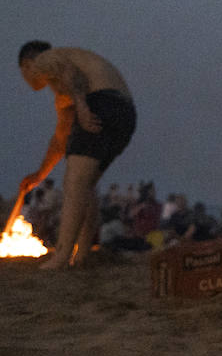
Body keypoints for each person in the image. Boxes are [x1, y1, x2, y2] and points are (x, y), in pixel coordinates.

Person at [16, 40, 138, 269]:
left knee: (75, 183)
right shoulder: (62, 93)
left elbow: (72, 74)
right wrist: (39, 175)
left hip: (102, 101)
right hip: (125, 114)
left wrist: (82, 105)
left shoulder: (46, 58)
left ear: (26, 65)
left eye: (24, 73)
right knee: (85, 185)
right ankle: (82, 255)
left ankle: (61, 256)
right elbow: (61, 139)